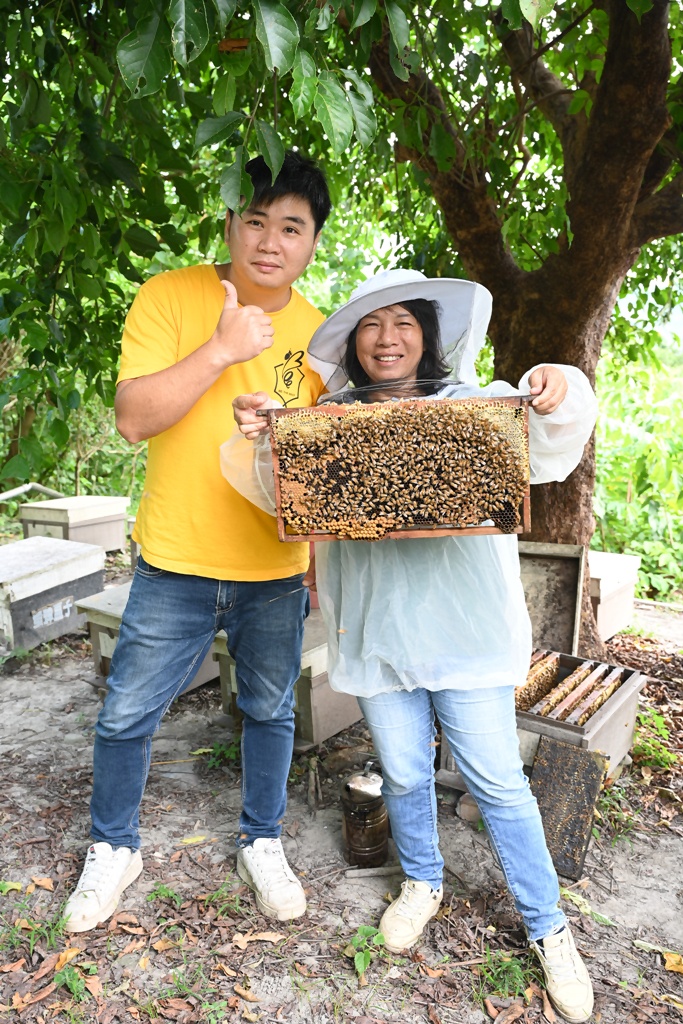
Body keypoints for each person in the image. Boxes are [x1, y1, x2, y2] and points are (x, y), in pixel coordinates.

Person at [230, 269, 598, 1024]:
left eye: (402, 322)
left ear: (427, 335)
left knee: (496, 781)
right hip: (376, 632)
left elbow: (554, 439)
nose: (386, 338)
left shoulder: (474, 407)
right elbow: (272, 490)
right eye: (370, 325)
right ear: (354, 345)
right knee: (402, 771)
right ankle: (421, 882)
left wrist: (559, 385)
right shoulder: (325, 420)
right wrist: (265, 433)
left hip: (466, 635)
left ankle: (547, 928)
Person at [64, 151, 332, 932]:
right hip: (173, 563)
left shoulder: (319, 333)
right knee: (125, 715)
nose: (270, 241)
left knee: (271, 713)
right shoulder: (171, 294)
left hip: (273, 570)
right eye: (255, 220)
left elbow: (317, 468)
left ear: (313, 240)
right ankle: (114, 848)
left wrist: (275, 440)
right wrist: (220, 348)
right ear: (229, 222)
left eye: (291, 225)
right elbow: (132, 418)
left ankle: (263, 839)